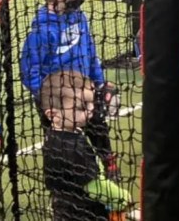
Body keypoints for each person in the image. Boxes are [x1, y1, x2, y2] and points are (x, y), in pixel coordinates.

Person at [19, 0, 120, 177]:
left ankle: (108, 160)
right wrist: (47, 96)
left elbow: (90, 52)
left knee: (97, 125)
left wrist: (99, 82)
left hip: (83, 88)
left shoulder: (79, 17)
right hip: (57, 99)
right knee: (61, 140)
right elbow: (30, 71)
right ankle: (63, 179)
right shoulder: (42, 31)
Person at [39, 70, 131, 220]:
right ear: (52, 115)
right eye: (82, 107)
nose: (90, 110)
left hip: (64, 211)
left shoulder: (53, 135)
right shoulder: (73, 147)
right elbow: (95, 188)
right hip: (84, 214)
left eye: (91, 103)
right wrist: (122, 198)